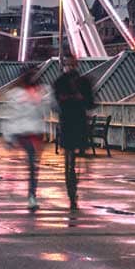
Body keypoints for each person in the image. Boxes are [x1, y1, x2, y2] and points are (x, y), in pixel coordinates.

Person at [1, 65, 50, 211]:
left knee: (34, 166)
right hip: (25, 133)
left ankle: (30, 193)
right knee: (32, 164)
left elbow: (8, 116)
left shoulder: (37, 93)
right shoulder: (26, 94)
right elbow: (10, 115)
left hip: (32, 133)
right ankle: (31, 195)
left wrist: (8, 137)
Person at [51, 55, 94, 210]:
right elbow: (90, 103)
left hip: (68, 122)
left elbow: (55, 103)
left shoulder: (60, 83)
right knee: (74, 155)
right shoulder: (84, 82)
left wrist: (67, 100)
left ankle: (71, 186)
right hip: (78, 122)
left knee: (69, 158)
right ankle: (73, 186)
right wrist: (79, 99)